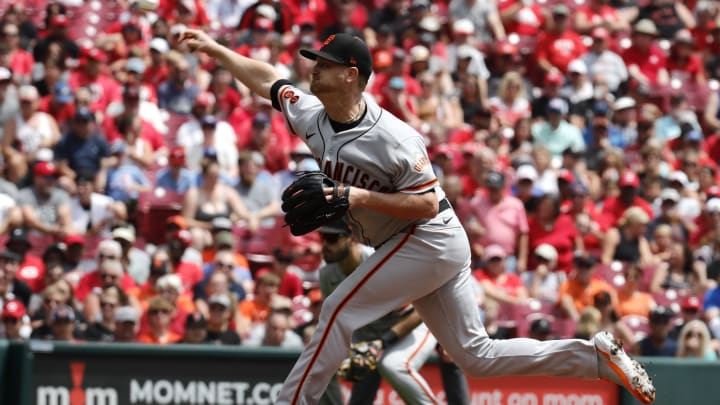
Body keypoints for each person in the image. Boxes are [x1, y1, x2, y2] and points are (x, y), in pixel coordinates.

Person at [180, 29, 656, 405]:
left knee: (338, 310)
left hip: (429, 235)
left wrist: (352, 195)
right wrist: (215, 48)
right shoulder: (310, 114)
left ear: (350, 73)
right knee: (478, 358)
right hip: (415, 245)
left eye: (322, 64)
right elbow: (267, 79)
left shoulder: (396, 138)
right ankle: (593, 356)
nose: (312, 70)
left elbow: (428, 203)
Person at [318, 219, 462, 404]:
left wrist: (382, 343)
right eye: (322, 238)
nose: (324, 245)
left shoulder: (380, 263)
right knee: (321, 360)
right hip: (368, 339)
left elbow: (419, 310)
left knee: (393, 366)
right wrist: (350, 349)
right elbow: (335, 322)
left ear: (351, 238)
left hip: (413, 326)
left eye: (331, 238)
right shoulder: (326, 274)